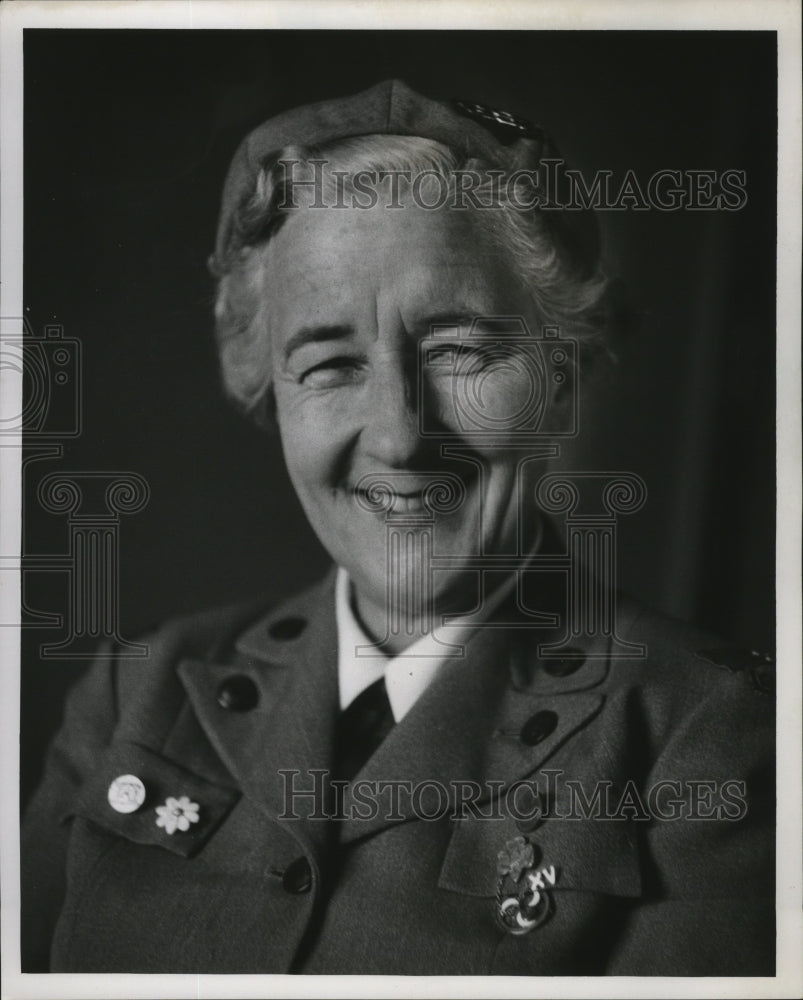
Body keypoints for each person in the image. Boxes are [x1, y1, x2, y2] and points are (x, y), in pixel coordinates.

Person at [21, 79, 774, 976]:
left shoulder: (713, 737)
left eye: (459, 350)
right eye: (331, 363)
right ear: (271, 396)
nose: (398, 436)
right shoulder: (138, 695)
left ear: (561, 380)